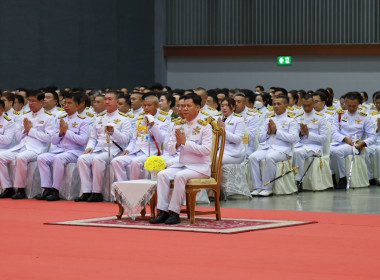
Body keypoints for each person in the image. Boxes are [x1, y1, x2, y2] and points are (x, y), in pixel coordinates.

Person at [150, 94, 212, 225]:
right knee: (162, 175)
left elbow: (206, 150)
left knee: (180, 176)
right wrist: (178, 144)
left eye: (188, 106)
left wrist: (185, 142)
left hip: (199, 166)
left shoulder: (205, 125)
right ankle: (162, 211)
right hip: (182, 163)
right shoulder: (178, 124)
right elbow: (170, 150)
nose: (184, 109)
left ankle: (174, 212)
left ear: (197, 107)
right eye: (182, 106)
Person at [76, 91, 131, 202]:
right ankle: (86, 191)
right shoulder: (99, 118)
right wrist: (90, 146)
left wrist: (113, 131)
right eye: (105, 99)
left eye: (110, 99)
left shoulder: (124, 118)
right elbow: (93, 137)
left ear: (117, 102)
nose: (107, 101)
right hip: (99, 149)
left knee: (98, 159)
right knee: (82, 159)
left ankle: (97, 192)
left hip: (114, 150)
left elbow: (126, 139)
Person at [0, 91, 55, 199]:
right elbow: (17, 137)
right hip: (22, 146)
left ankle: (20, 189)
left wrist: (31, 130)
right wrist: (25, 130)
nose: (30, 103)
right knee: (1, 157)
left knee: (21, 158)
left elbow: (49, 138)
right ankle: (7, 188)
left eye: (33, 101)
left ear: (41, 102)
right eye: (29, 100)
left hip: (37, 149)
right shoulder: (24, 116)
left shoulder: (48, 117)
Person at [36, 92, 89, 201]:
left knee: (58, 159)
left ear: (77, 106)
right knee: (41, 158)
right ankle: (46, 189)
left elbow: (82, 141)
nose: (66, 105)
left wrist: (66, 131)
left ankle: (55, 190)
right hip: (60, 150)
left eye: (69, 103)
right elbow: (54, 141)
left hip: (75, 151)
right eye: (64, 103)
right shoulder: (61, 119)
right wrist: (60, 133)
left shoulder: (83, 120)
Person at [111, 93, 170, 182]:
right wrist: (128, 149)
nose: (146, 108)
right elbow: (134, 139)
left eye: (149, 105)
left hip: (151, 152)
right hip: (136, 150)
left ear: (157, 106)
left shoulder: (163, 120)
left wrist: (153, 125)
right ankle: (123, 186)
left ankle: (135, 187)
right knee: (116, 161)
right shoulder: (140, 119)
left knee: (135, 162)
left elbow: (160, 139)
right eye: (144, 105)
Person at [248, 95, 299, 196]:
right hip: (268, 148)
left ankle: (267, 187)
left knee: (269, 157)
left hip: (283, 150)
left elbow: (294, 138)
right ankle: (257, 187)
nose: (275, 106)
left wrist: (276, 131)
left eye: (279, 104)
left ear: (286, 106)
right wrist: (268, 132)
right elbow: (260, 138)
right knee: (252, 157)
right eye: (274, 104)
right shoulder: (268, 119)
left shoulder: (291, 120)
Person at [330, 92, 375, 189]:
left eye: (354, 106)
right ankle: (331, 176)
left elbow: (372, 137)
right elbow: (334, 132)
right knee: (327, 150)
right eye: (348, 105)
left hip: (354, 145)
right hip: (340, 141)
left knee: (337, 152)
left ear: (359, 104)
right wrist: (344, 138)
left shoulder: (364, 117)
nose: (351, 108)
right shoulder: (339, 115)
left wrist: (363, 142)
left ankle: (342, 178)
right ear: (345, 103)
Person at [293, 94, 328, 191]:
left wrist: (308, 134)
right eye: (304, 105)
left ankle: (298, 180)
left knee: (298, 152)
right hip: (300, 145)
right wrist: (300, 134)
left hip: (315, 147)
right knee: (288, 151)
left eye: (309, 105)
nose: (307, 108)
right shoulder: (298, 117)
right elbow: (294, 138)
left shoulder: (321, 117)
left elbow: (324, 138)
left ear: (313, 103)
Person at [217, 97, 245, 164]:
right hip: (217, 149)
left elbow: (237, 139)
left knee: (216, 160)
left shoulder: (238, 120)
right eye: (222, 106)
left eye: (227, 105)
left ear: (234, 107)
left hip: (233, 153)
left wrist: (223, 130)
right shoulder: (216, 119)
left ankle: (216, 175)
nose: (224, 108)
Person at [365, 92, 380, 186]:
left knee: (379, 150)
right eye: (377, 103)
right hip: (374, 142)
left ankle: (379, 178)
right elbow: (369, 133)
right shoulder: (371, 116)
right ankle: (370, 177)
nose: (378, 105)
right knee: (363, 150)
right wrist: (378, 129)